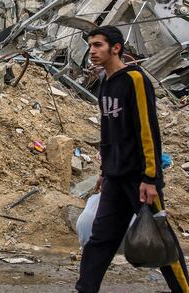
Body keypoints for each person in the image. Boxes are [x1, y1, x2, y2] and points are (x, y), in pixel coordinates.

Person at [76, 26, 188, 293]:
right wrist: (104, 170)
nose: (92, 51)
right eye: (91, 45)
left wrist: (150, 177)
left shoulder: (135, 79)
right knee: (99, 239)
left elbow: (147, 129)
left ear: (116, 48)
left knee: (161, 240)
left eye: (98, 45)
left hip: (139, 179)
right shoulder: (105, 81)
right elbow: (107, 131)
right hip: (114, 177)